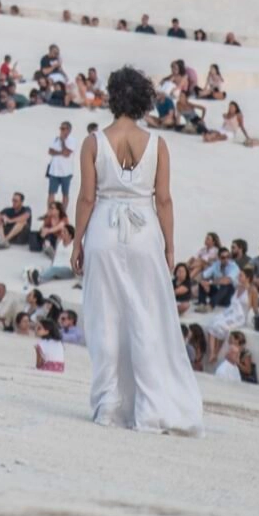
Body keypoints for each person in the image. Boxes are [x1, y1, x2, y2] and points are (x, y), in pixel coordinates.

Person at [69, 67, 202, 435]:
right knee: (146, 318)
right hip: (144, 232)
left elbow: (85, 197)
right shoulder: (158, 144)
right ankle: (148, 406)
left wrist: (77, 241)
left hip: (104, 230)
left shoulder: (94, 141)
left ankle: (109, 405)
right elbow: (164, 200)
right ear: (144, 101)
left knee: (105, 319)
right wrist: (170, 246)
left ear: (112, 97)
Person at [45, 121, 76, 202]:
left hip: (66, 172)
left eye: (63, 128)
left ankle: (63, 212)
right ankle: (50, 211)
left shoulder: (72, 140)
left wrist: (62, 142)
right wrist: (60, 152)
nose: (61, 130)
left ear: (68, 130)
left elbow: (67, 153)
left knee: (65, 194)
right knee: (51, 193)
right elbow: (50, 151)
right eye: (60, 128)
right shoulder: (55, 139)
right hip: (54, 171)